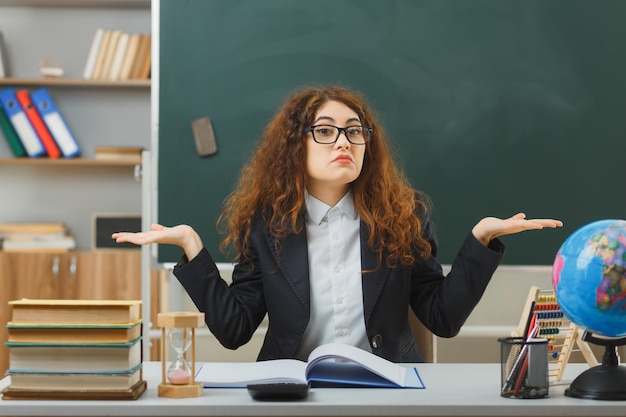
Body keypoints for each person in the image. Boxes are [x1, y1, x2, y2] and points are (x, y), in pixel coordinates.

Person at [112, 85, 562, 363]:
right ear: (296, 147)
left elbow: (441, 318)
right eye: (324, 130)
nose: (343, 141)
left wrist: (481, 241)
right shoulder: (266, 226)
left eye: (354, 130)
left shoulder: (404, 217)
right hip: (293, 390)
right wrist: (192, 246)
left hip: (388, 386)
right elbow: (235, 331)